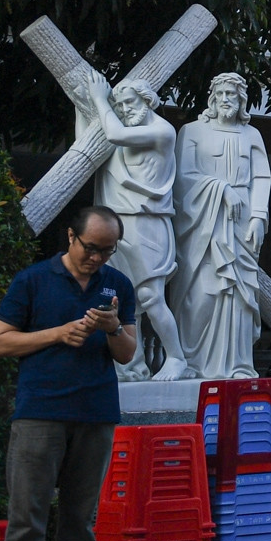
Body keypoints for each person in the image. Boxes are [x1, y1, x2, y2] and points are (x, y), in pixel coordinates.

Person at [0, 205, 139, 541]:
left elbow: (127, 353)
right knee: (27, 518)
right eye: (91, 248)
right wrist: (58, 334)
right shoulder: (32, 280)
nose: (97, 258)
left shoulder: (118, 285)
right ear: (70, 237)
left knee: (80, 519)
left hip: (95, 412)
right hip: (40, 412)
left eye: (107, 251)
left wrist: (112, 329)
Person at [69, 73, 189, 380]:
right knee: (119, 297)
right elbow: (91, 142)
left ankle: (176, 358)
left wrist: (99, 97)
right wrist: (81, 104)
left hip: (147, 223)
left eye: (129, 102)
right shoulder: (122, 128)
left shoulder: (161, 131)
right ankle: (131, 366)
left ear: (148, 100)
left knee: (150, 296)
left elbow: (114, 135)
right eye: (119, 104)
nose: (124, 109)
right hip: (115, 223)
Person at [170, 72, 270, 379]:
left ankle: (238, 365)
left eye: (233, 95)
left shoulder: (251, 135)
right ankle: (191, 362)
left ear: (242, 101)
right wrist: (219, 189)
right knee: (201, 293)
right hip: (202, 221)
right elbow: (182, 178)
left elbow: (262, 178)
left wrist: (258, 216)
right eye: (221, 94)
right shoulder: (191, 131)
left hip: (240, 224)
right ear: (212, 99)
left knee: (239, 295)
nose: (226, 99)